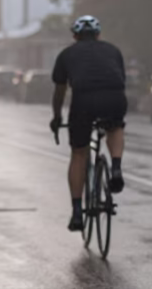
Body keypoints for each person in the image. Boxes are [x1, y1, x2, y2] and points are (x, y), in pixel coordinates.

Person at [50, 15, 128, 231]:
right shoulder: (113, 50)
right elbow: (120, 80)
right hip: (114, 96)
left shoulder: (66, 54)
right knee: (115, 126)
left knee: (79, 153)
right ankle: (116, 169)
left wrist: (57, 117)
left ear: (75, 36)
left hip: (83, 100)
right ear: (98, 34)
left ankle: (76, 212)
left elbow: (59, 92)